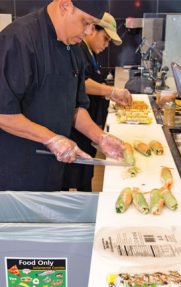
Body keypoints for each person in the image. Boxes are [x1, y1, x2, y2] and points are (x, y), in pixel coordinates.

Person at [0, 0, 124, 191]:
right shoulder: (18, 39)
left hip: (52, 169)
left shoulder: (75, 49)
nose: (89, 31)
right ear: (65, 6)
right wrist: (51, 139)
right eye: (85, 22)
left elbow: (74, 108)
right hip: (13, 172)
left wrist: (100, 137)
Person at [63, 12, 131, 191]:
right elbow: (82, 84)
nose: (106, 45)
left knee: (86, 175)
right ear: (92, 29)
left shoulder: (89, 53)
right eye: (106, 39)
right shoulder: (79, 50)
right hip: (78, 126)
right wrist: (112, 91)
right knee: (77, 176)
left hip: (88, 125)